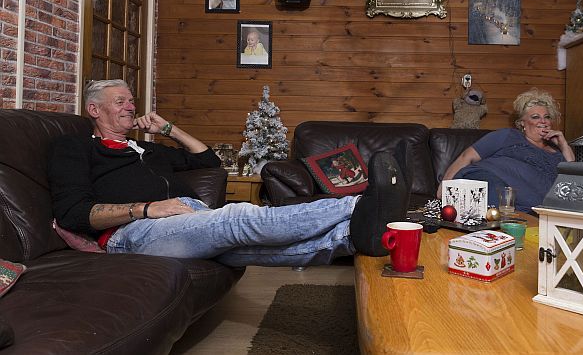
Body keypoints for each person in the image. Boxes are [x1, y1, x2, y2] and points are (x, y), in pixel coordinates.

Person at [49, 80, 409, 266]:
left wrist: (168, 129)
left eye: (131, 101)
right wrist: (147, 208)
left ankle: (353, 237)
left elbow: (207, 160)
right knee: (239, 219)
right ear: (94, 110)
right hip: (133, 232)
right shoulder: (76, 147)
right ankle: (360, 206)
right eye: (120, 102)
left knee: (245, 249)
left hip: (187, 215)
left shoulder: (147, 149)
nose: (130, 107)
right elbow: (73, 213)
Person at [437, 88, 575, 213]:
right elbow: (467, 156)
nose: (543, 121)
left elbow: (574, 180)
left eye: (547, 117)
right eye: (535, 117)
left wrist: (564, 145)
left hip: (531, 204)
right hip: (490, 181)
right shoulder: (508, 136)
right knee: (497, 192)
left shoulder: (556, 152)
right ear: (522, 123)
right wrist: (444, 187)